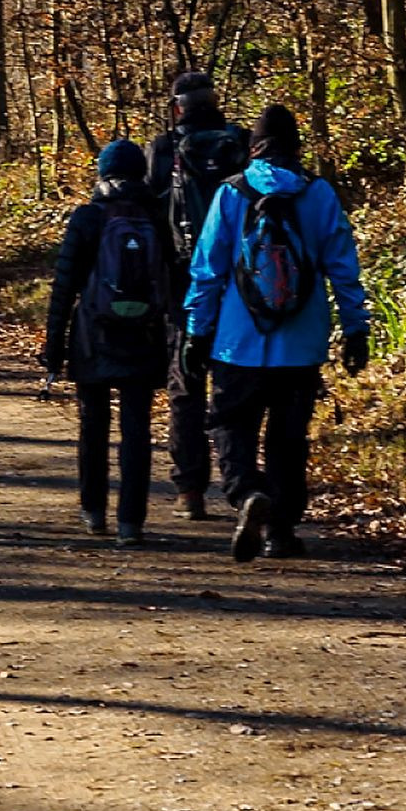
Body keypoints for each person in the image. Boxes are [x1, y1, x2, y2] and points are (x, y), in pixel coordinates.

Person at [181, 105, 372, 562]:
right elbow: (343, 267)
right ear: (297, 146)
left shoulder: (231, 194)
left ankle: (247, 493)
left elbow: (207, 270)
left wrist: (195, 332)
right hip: (301, 343)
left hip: (237, 340)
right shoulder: (319, 193)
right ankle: (281, 532)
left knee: (231, 425)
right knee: (289, 438)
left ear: (255, 147)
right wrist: (356, 328)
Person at [43, 140, 175, 546]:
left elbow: (64, 286)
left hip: (93, 335)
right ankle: (130, 522)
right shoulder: (158, 216)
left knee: (93, 424)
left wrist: (54, 344)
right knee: (136, 429)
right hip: (145, 335)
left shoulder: (87, 217)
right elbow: (174, 280)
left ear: (101, 174)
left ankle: (93, 512)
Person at [146, 72, 249, 519]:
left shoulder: (163, 149)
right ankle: (239, 484)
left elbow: (152, 217)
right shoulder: (241, 143)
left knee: (185, 386)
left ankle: (189, 490)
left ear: (176, 108)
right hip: (242, 287)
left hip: (182, 283)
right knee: (233, 385)